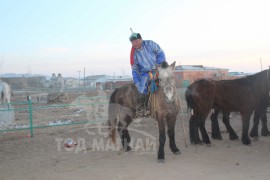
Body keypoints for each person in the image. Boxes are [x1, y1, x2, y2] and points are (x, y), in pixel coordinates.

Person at [129, 29, 166, 115]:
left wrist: (158, 66)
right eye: (133, 42)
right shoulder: (134, 54)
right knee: (142, 86)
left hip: (158, 68)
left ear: (141, 39)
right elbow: (134, 69)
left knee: (168, 79)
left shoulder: (150, 43)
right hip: (145, 74)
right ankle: (144, 106)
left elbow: (160, 53)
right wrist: (137, 82)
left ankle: (172, 100)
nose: (135, 43)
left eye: (136, 41)